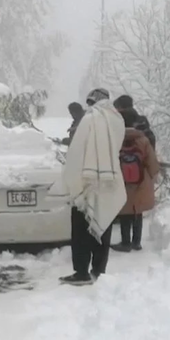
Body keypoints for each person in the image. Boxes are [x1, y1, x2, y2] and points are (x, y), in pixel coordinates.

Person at [51, 88, 128, 286]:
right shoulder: (117, 119)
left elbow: (77, 151)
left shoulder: (90, 119)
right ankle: (100, 270)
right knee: (103, 223)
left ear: (93, 101)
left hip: (87, 181)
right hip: (110, 179)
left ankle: (81, 272)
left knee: (81, 227)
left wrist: (72, 177)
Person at [111, 109, 160, 253]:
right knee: (137, 211)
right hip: (141, 181)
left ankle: (125, 243)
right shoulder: (143, 139)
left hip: (121, 181)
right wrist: (151, 176)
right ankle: (136, 242)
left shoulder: (115, 139)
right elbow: (152, 163)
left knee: (124, 211)